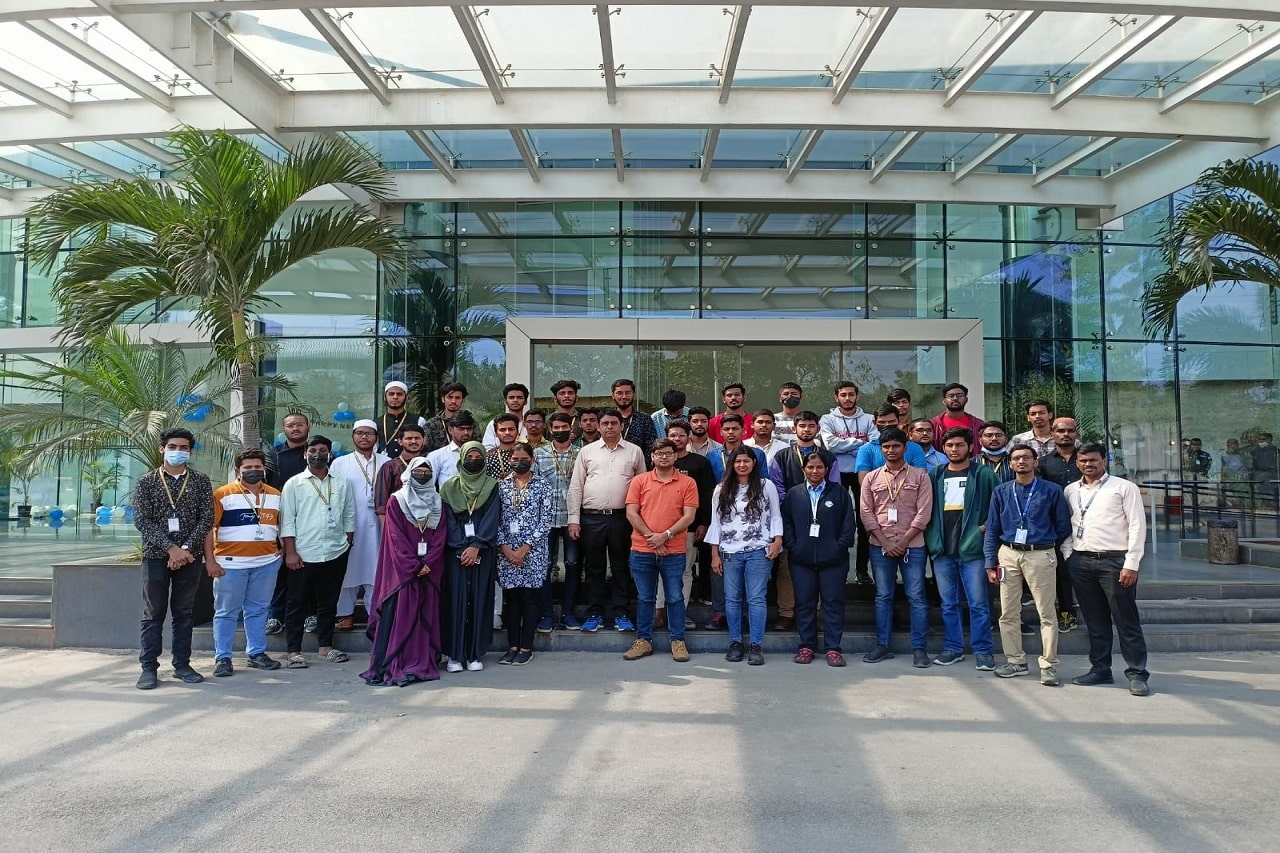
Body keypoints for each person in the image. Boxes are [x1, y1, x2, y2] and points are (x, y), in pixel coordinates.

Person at [1065, 443, 1151, 696]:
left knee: (1126, 620)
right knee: (1095, 621)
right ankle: (1100, 669)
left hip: (1115, 562)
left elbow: (1137, 526)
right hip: (1081, 562)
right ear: (1077, 462)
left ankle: (1137, 673)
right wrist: (1069, 555)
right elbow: (1068, 524)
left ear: (1104, 460)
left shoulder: (1123, 488)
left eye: (1093, 460)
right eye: (1083, 461)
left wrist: (1131, 563)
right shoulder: (1071, 490)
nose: (1088, 464)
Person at [984, 444, 1073, 686]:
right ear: (1011, 464)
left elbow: (1063, 525)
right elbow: (992, 528)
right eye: (1016, 458)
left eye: (1026, 457)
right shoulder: (1001, 491)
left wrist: (1044, 541)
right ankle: (1016, 661)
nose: (1021, 461)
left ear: (1035, 462)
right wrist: (990, 562)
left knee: (1047, 613)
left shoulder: (1051, 490)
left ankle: (1048, 665)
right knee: (1008, 612)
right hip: (1008, 554)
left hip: (1040, 554)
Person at [133, 428, 215, 689]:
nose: (178, 451)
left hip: (190, 557)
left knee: (184, 612)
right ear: (162, 449)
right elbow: (142, 520)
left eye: (184, 448)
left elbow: (207, 518)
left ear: (190, 451)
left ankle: (182, 665)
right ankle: (148, 667)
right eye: (173, 446)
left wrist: (185, 549)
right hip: (156, 556)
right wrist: (171, 549)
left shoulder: (200, 481)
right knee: (153, 612)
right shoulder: (146, 482)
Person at [362, 456, 446, 687]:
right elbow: (395, 537)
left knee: (424, 615)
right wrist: (414, 565)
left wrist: (428, 561)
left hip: (429, 569)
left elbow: (441, 535)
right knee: (402, 615)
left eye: (426, 472)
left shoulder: (437, 501)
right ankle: (399, 663)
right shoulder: (396, 500)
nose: (422, 475)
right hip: (403, 571)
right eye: (418, 471)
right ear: (409, 473)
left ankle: (421, 662)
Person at [924, 428, 998, 671]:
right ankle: (953, 648)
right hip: (942, 550)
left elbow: (998, 505)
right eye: (949, 445)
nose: (954, 449)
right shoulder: (935, 474)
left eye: (959, 445)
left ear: (970, 447)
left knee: (978, 604)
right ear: (943, 448)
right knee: (948, 604)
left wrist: (985, 527)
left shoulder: (983, 474)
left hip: (973, 550)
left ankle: (983, 651)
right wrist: (931, 538)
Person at [859, 427, 934, 668]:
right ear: (881, 449)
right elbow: (866, 512)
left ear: (905, 447)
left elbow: (924, 513)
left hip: (913, 545)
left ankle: (919, 648)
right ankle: (883, 645)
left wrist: (901, 542)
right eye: (886, 447)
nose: (891, 450)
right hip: (879, 546)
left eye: (896, 446)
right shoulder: (871, 478)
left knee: (916, 596)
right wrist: (886, 541)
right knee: (883, 596)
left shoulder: (920, 476)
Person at [205, 448, 283, 677]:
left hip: (266, 563)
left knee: (258, 610)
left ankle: (256, 653)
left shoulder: (275, 494)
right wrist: (210, 560)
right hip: (230, 565)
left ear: (264, 469)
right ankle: (223, 658)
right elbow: (208, 529)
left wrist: (282, 550)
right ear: (238, 470)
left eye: (257, 467)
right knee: (226, 612)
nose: (253, 470)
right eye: (248, 467)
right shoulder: (223, 494)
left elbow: (282, 525)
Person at [566, 409, 646, 633]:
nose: (609, 427)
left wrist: (640, 520)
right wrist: (574, 519)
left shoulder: (634, 451)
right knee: (594, 568)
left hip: (623, 518)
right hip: (591, 518)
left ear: (622, 426)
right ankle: (595, 613)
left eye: (613, 423)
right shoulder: (587, 452)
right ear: (598, 427)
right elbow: (576, 486)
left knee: (621, 566)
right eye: (605, 423)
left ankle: (622, 613)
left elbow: (643, 487)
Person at [279, 435, 355, 668]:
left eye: (323, 450)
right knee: (297, 603)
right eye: (312, 450)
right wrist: (290, 552)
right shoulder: (294, 483)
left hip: (335, 551)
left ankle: (325, 647)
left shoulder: (341, 482)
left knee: (328, 602)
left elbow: (349, 514)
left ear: (330, 454)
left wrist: (346, 542)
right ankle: (293, 652)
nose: (317, 454)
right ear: (305, 454)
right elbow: (287, 520)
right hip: (303, 553)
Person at [622, 438, 699, 662]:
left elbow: (689, 517)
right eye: (659, 454)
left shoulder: (687, 483)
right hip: (642, 549)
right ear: (652, 457)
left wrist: (665, 536)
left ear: (675, 456)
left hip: (673, 550)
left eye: (668, 453)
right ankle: (643, 640)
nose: (664, 457)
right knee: (645, 597)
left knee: (675, 596)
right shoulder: (640, 481)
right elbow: (631, 513)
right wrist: (652, 538)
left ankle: (678, 640)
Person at [707, 447, 783, 666]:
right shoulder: (721, 488)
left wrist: (777, 540)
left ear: (753, 463)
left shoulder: (766, 485)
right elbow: (716, 523)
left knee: (756, 598)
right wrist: (714, 554)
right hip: (730, 551)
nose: (742, 465)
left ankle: (756, 645)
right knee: (732, 598)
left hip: (759, 549)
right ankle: (736, 642)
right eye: (738, 461)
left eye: (746, 461)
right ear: (732, 464)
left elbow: (775, 515)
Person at [781, 453, 856, 667]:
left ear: (826, 470)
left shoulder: (839, 492)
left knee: (833, 604)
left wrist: (838, 547)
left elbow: (848, 524)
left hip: (834, 561)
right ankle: (806, 647)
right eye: (811, 467)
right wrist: (794, 546)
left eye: (819, 467)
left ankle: (833, 649)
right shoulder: (794, 493)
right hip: (801, 560)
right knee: (805, 603)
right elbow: (786, 522)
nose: (815, 471)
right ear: (803, 470)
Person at [440, 441, 501, 672]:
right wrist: (460, 548)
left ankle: (475, 654)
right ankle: (455, 655)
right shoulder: (449, 487)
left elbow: (492, 517)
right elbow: (447, 520)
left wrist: (477, 545)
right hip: (455, 551)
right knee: (455, 600)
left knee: (479, 599)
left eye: (478, 457)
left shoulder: (492, 485)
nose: (474, 460)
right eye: (469, 456)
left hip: (483, 550)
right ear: (461, 459)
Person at [496, 443, 555, 666]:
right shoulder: (501, 486)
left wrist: (525, 548)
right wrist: (505, 548)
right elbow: (495, 519)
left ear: (532, 460)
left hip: (533, 551)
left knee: (530, 598)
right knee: (512, 599)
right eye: (515, 459)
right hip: (506, 553)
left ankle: (526, 647)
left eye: (524, 459)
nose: (519, 462)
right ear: (509, 460)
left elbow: (545, 521)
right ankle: (512, 646)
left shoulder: (543, 485)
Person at [855, 405, 927, 586]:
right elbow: (864, 483)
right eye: (883, 422)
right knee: (884, 590)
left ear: (899, 420)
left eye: (891, 422)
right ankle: (861, 572)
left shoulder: (914, 448)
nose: (887, 426)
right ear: (875, 423)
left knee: (915, 591)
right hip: (878, 514)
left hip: (909, 520)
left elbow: (921, 479)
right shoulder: (867, 449)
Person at [331, 419, 385, 631]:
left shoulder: (387, 462)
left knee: (376, 568)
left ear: (376, 438)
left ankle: (375, 614)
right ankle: (344, 613)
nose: (364, 437)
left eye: (369, 433)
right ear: (353, 436)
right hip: (350, 526)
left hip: (379, 525)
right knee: (348, 569)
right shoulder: (340, 463)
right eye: (360, 433)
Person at [822, 381, 878, 585]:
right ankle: (839, 570)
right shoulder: (827, 419)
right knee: (837, 523)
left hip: (863, 473)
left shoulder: (869, 419)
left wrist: (847, 446)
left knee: (865, 523)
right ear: (836, 397)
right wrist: (860, 444)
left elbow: (874, 445)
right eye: (843, 395)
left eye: (851, 394)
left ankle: (862, 571)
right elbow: (830, 444)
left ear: (857, 396)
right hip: (837, 474)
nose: (847, 398)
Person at [666, 420, 714, 630]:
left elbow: (707, 495)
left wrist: (704, 523)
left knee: (685, 571)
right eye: (673, 435)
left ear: (688, 438)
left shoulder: (700, 463)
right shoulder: (659, 461)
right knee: (663, 572)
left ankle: (681, 612)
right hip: (661, 529)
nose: (677, 439)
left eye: (681, 435)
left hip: (690, 527)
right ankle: (661, 612)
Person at [535, 413, 581, 629]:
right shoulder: (539, 454)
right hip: (546, 519)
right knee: (544, 565)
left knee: (572, 564)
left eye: (565, 427)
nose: (560, 430)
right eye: (556, 427)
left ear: (570, 429)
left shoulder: (581, 454)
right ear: (550, 429)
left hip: (572, 518)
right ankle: (546, 614)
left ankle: (569, 613)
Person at [265, 412, 310, 634]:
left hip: (311, 518)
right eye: (291, 425)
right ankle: (275, 615)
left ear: (308, 427)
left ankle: (310, 615)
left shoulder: (316, 452)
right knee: (280, 569)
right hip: (280, 518)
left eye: (300, 424)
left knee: (310, 569)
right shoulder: (273, 456)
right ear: (284, 429)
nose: (295, 429)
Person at [1037, 417, 1082, 634]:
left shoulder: (1085, 458)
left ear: (1076, 433)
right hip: (1056, 524)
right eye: (1060, 431)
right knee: (1061, 572)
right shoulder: (1044, 462)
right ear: (1052, 434)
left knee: (1084, 570)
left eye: (1070, 431)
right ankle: (1067, 615)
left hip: (1086, 523)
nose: (1065, 434)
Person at [374, 423, 426, 520]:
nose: (413, 441)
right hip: (397, 519)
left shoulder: (428, 464)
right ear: (400, 441)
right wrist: (385, 527)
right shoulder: (390, 466)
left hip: (424, 519)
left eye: (417, 438)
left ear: (424, 440)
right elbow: (381, 504)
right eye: (409, 438)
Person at [708, 413, 767, 482]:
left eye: (735, 429)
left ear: (743, 431)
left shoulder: (757, 454)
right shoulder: (712, 455)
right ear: (721, 432)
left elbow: (764, 481)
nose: (730, 432)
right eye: (726, 429)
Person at [611, 378, 657, 466]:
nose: (624, 396)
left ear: (634, 395)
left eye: (628, 393)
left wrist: (640, 466)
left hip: (638, 467)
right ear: (613, 395)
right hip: (610, 466)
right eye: (619, 393)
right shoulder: (606, 418)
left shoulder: (644, 418)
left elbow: (651, 446)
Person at [376, 380, 427, 458]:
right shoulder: (376, 423)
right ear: (385, 397)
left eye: (399, 394)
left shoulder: (419, 421)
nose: (395, 397)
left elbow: (424, 446)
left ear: (406, 398)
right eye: (391, 394)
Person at [930, 383, 984, 451]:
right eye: (951, 396)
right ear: (944, 401)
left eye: (960, 395)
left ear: (966, 400)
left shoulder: (978, 424)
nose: (955, 398)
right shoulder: (933, 424)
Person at [425, 411, 475, 485]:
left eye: (469, 429)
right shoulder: (437, 456)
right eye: (461, 429)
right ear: (450, 430)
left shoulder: (480, 456)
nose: (466, 433)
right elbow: (427, 486)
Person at [424, 382, 468, 453]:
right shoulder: (431, 424)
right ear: (443, 399)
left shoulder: (470, 423)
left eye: (457, 398)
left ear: (462, 400)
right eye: (450, 397)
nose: (453, 401)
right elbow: (425, 450)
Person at [482, 382, 529, 449]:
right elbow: (487, 449)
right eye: (511, 397)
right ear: (505, 402)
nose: (515, 400)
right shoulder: (494, 424)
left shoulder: (530, 424)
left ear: (525, 401)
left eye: (519, 397)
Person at [485, 412, 520, 478]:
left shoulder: (526, 453)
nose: (507, 433)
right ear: (496, 433)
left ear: (517, 431)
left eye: (511, 429)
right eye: (502, 430)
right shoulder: (489, 458)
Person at [1250, 433, 1280, 509]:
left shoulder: (1276, 451)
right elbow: (1251, 464)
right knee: (1259, 496)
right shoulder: (1255, 451)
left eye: (1263, 439)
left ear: (1270, 440)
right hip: (1258, 476)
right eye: (1259, 439)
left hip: (1271, 476)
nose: (1261, 441)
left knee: (1270, 495)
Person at [1220, 438, 1251, 506]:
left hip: (1241, 478)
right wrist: (1222, 480)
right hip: (1229, 479)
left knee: (1242, 497)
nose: (1231, 447)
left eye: (1233, 444)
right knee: (1230, 497)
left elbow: (1250, 467)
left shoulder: (1244, 454)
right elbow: (1223, 468)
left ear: (1237, 445)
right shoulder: (1224, 455)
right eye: (1229, 445)